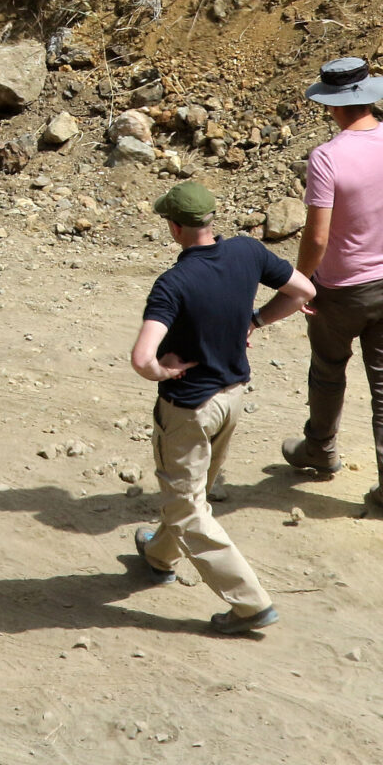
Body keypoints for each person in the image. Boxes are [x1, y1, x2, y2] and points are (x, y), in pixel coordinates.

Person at [129, 181, 315, 635]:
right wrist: (256, 319)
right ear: (211, 220)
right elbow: (303, 291)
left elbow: (142, 358)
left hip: (189, 409)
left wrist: (163, 371)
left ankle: (250, 604)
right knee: (195, 489)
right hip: (232, 398)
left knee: (188, 505)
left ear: (175, 228)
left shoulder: (174, 283)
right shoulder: (248, 253)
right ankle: (159, 555)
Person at [279, 57, 383, 520]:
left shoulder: (327, 157)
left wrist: (302, 282)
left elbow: (316, 236)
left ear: (332, 106)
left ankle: (320, 449)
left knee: (329, 369)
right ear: (370, 95)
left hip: (344, 287)